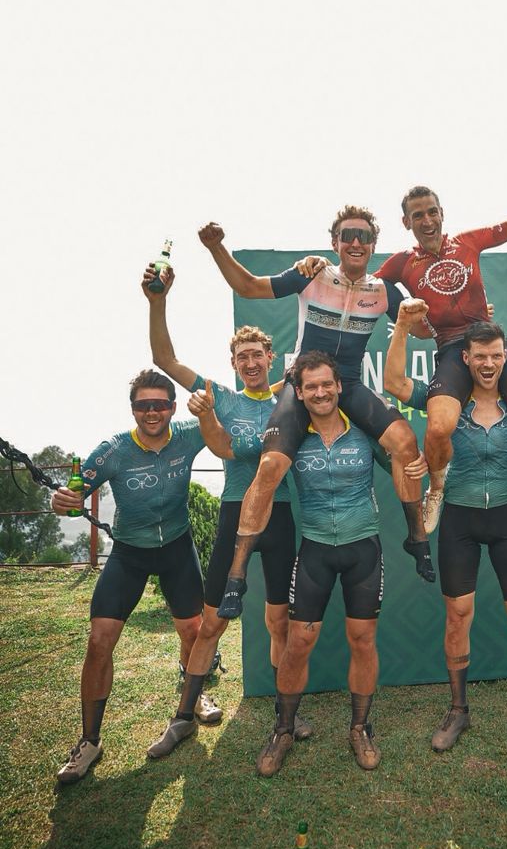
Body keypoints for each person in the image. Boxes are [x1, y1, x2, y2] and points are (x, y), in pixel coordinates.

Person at [197, 208, 434, 622]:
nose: (356, 242)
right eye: (348, 235)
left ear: (373, 245)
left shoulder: (383, 291)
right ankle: (236, 575)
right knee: (270, 467)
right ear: (335, 242)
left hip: (349, 383)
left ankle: (417, 537)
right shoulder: (312, 274)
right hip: (302, 383)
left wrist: (421, 313)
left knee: (405, 442)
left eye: (364, 236)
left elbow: (422, 330)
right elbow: (248, 286)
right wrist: (217, 248)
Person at [385, 306, 507, 780]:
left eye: (496, 356)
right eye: (479, 356)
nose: (488, 364)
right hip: (460, 519)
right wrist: (402, 328)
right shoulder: (446, 399)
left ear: (506, 357)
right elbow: (395, 382)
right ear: (464, 358)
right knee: (458, 615)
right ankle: (458, 709)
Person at [140, 267, 313, 757]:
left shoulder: (291, 396)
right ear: (233, 363)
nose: (251, 362)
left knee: (279, 623)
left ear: (271, 359)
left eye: (257, 355)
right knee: (212, 622)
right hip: (236, 514)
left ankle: (285, 715)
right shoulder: (221, 397)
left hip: (281, 515)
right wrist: (157, 301)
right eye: (243, 357)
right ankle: (182, 717)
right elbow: (165, 359)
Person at [374, 154, 507, 546]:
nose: (427, 220)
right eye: (418, 215)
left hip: (487, 342)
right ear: (406, 222)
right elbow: (362, 288)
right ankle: (437, 489)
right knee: (439, 427)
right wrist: (408, 322)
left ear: (442, 213)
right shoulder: (402, 263)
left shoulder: (468, 242)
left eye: (432, 212)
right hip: (452, 350)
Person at [51, 370, 221, 784]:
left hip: (177, 547)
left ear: (172, 407)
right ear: (133, 410)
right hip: (130, 553)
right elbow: (74, 492)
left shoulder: (189, 434)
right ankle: (89, 741)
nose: (152, 412)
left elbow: (237, 410)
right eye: (143, 405)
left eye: (159, 404)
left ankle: (194, 697)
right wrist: (63, 500)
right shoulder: (113, 450)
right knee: (99, 640)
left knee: (193, 631)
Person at [243, 351, 395, 776]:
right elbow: (262, 474)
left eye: (327, 383)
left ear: (339, 386)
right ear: (300, 392)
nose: (321, 392)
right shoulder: (293, 437)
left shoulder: (364, 432)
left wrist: (403, 435)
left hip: (363, 549)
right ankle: (283, 729)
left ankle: (360, 728)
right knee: (298, 643)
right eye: (311, 386)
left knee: (362, 640)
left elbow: (403, 463)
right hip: (315, 551)